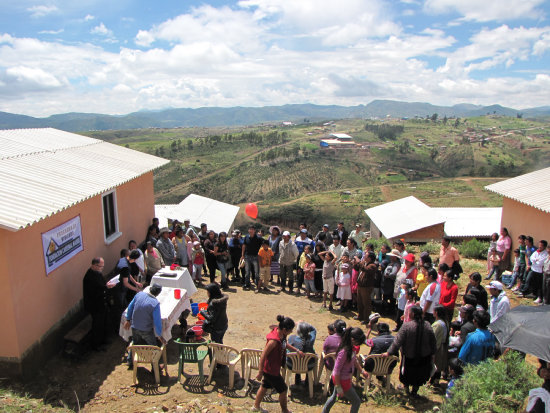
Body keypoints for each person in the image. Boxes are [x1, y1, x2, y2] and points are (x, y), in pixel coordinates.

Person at [384, 306, 437, 397]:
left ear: (412, 314)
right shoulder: (427, 325)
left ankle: (406, 389)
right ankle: (414, 391)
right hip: (424, 356)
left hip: (409, 356)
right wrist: (433, 353)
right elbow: (433, 341)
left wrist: (389, 352)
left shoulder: (407, 326)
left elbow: (397, 341)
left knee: (407, 374)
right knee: (420, 374)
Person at [254, 315, 301, 413]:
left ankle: (256, 406)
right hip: (271, 370)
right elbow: (263, 355)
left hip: (272, 368)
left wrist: (296, 350)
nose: (291, 332)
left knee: (264, 386)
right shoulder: (273, 342)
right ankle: (284, 410)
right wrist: (260, 371)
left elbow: (284, 344)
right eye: (290, 330)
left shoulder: (281, 335)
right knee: (283, 390)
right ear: (284, 330)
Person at [322, 327, 368, 413]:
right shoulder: (344, 352)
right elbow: (336, 370)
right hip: (342, 380)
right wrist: (339, 387)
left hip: (344, 379)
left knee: (333, 397)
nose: (359, 345)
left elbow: (354, 360)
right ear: (353, 340)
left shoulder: (351, 349)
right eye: (358, 342)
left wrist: (362, 371)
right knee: (356, 401)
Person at [83, 257, 116, 350]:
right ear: (94, 265)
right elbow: (95, 292)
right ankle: (96, 345)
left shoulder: (97, 273)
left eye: (102, 266)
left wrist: (107, 285)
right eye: (100, 266)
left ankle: (104, 339)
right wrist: (106, 288)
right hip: (96, 306)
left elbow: (102, 285)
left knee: (104, 322)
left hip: (102, 304)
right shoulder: (89, 277)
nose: (101, 268)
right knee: (97, 325)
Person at [520, 240, 549, 304]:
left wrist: (535, 261)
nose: (539, 247)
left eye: (541, 246)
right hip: (533, 269)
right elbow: (531, 258)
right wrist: (535, 260)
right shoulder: (537, 251)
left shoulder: (545, 254)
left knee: (539, 285)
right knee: (530, 281)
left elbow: (540, 263)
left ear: (544, 247)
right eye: (539, 245)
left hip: (539, 272)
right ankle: (531, 293)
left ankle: (539, 297)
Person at [430, 304, 448, 386]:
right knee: (439, 364)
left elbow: (433, 337)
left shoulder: (437, 325)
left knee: (435, 364)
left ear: (436, 312)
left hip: (437, 347)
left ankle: (433, 381)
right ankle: (435, 380)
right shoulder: (445, 322)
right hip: (443, 346)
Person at [356, 251, 377, 323]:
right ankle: (360, 315)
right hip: (360, 286)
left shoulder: (372, 266)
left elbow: (366, 269)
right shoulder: (365, 263)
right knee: (360, 302)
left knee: (366, 303)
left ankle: (366, 318)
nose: (364, 256)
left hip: (366, 287)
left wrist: (359, 262)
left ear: (370, 258)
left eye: (366, 256)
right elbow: (357, 268)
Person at [242, 225, 263, 290]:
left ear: (254, 231)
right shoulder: (246, 237)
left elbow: (263, 245)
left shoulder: (259, 238)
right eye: (250, 229)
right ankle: (247, 284)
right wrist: (242, 255)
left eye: (252, 229)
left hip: (256, 256)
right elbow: (244, 246)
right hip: (247, 256)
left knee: (257, 271)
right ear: (248, 230)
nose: (251, 231)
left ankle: (257, 284)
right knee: (247, 271)